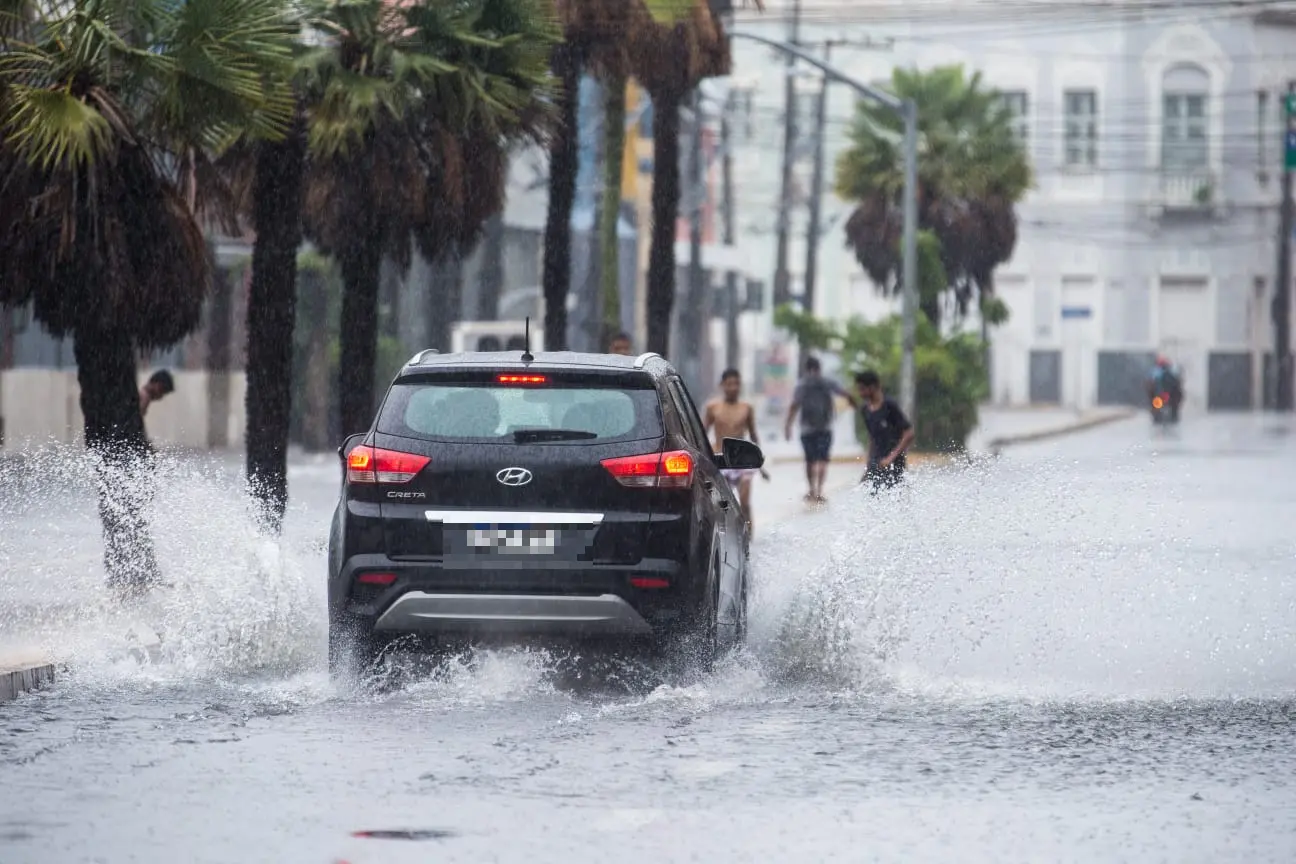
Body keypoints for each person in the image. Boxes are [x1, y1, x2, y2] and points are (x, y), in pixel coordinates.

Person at [784, 356, 856, 504]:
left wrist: (788, 426)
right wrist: (854, 404)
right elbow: (845, 393)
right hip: (825, 427)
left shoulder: (802, 384)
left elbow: (794, 405)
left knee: (810, 460)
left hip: (807, 429)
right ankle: (820, 491)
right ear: (819, 368)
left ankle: (811, 490)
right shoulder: (827, 382)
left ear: (806, 368)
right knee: (823, 460)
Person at [704, 369, 768, 533]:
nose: (733, 388)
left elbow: (754, 436)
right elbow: (702, 433)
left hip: (742, 462)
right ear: (722, 385)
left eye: (736, 384)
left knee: (745, 503)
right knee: (719, 505)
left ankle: (748, 540)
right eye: (729, 384)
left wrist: (760, 466)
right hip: (721, 461)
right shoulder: (713, 407)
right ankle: (722, 537)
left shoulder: (746, 408)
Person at [854, 370, 915, 492]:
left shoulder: (889, 406)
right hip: (875, 464)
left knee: (894, 498)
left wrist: (891, 457)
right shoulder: (865, 410)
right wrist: (867, 468)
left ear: (872, 387)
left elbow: (908, 433)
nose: (860, 393)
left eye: (862, 389)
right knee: (874, 501)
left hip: (894, 464)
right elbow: (872, 437)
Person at [1147, 355, 1183, 421]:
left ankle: (1173, 414)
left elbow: (1177, 385)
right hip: (1161, 394)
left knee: (1175, 402)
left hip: (1168, 395)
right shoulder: (1156, 372)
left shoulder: (1171, 371)